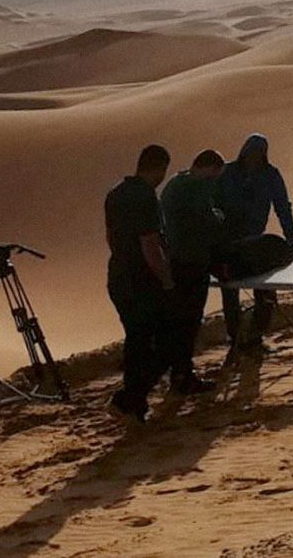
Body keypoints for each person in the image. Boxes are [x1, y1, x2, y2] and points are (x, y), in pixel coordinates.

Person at [105, 144, 174, 422]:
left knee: (137, 341)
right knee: (164, 343)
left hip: (118, 277)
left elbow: (110, 237)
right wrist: (167, 280)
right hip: (142, 281)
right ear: (158, 168)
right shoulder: (146, 197)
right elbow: (150, 245)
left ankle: (135, 403)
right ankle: (127, 400)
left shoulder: (115, 194)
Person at [214, 134, 293, 351]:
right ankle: (235, 338)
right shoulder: (227, 173)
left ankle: (255, 336)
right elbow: (212, 204)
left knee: (265, 289)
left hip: (256, 243)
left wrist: (290, 236)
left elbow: (282, 206)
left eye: (259, 154)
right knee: (230, 290)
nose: (254, 158)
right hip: (229, 243)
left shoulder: (270, 175)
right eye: (251, 153)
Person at [160, 149, 226, 394]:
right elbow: (208, 221)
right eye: (214, 176)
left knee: (180, 321)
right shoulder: (195, 187)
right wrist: (219, 217)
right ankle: (183, 376)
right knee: (189, 321)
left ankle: (179, 373)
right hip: (192, 262)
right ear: (208, 168)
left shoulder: (174, 184)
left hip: (175, 261)